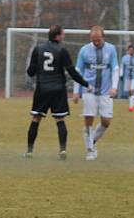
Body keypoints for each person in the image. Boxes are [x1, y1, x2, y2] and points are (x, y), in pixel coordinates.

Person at [24, 25, 89, 159]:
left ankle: (29, 151)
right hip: (58, 89)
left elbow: (30, 72)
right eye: (63, 34)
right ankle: (63, 150)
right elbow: (71, 71)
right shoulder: (62, 50)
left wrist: (37, 69)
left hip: (42, 89)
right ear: (57, 36)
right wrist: (85, 83)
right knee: (60, 119)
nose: (64, 36)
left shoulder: (38, 49)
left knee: (36, 119)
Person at [73, 26, 119, 160]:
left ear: (103, 37)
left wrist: (114, 87)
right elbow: (78, 71)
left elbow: (115, 68)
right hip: (89, 90)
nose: (96, 43)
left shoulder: (111, 49)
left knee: (106, 121)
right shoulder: (84, 50)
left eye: (98, 40)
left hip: (106, 91)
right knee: (89, 118)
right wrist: (76, 92)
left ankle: (91, 141)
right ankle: (90, 150)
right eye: (94, 40)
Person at [121, 43, 134, 112]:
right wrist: (121, 75)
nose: (131, 51)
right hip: (127, 77)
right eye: (129, 50)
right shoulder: (124, 58)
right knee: (129, 91)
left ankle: (131, 107)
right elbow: (122, 66)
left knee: (132, 90)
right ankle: (132, 104)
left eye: (132, 50)